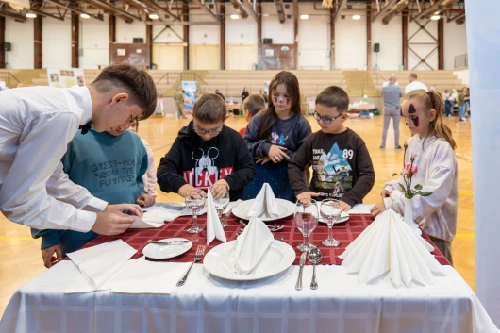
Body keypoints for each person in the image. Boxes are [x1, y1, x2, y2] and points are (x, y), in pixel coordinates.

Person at [0, 63, 156, 235]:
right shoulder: (63, 115)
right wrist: (92, 220)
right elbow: (19, 203)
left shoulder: (61, 104)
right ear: (118, 99)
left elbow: (53, 178)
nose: (125, 126)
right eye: (130, 117)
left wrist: (101, 207)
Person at [31, 125, 154, 267]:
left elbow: (137, 177)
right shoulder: (71, 139)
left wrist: (139, 193)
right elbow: (46, 189)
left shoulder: (135, 140)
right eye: (129, 116)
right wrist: (49, 236)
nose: (127, 124)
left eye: (135, 119)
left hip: (126, 232)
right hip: (79, 238)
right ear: (115, 102)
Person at [370, 90, 458, 264]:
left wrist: (393, 203)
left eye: (412, 116)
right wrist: (392, 187)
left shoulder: (442, 149)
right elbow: (411, 178)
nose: (407, 122)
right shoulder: (413, 142)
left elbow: (433, 195)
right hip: (413, 224)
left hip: (436, 231)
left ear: (431, 115)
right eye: (405, 117)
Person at [288, 86, 375, 211]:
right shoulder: (313, 139)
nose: (321, 122)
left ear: (343, 117)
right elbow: (294, 165)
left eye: (327, 118)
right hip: (316, 206)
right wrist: (301, 189)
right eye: (318, 115)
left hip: (345, 207)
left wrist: (351, 198)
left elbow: (368, 175)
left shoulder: (355, 141)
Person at [157, 93, 256, 201]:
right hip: (196, 208)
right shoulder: (183, 140)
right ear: (192, 116)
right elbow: (164, 171)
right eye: (200, 128)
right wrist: (182, 186)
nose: (207, 136)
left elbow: (249, 169)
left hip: (228, 206)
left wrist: (228, 182)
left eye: (214, 130)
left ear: (225, 119)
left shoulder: (234, 139)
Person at [243, 71, 312, 201]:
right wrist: (266, 148)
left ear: (295, 97)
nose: (280, 100)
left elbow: (306, 160)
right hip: (259, 183)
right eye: (276, 95)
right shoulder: (260, 118)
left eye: (286, 95)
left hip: (289, 184)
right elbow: (244, 146)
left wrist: (278, 155)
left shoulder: (301, 124)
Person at [129, 119, 157, 198]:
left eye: (133, 125)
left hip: (143, 195)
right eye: (128, 125)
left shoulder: (144, 146)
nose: (131, 128)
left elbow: (151, 173)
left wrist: (152, 195)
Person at [380, 74, 403, 150]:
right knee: (396, 128)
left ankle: (383, 145)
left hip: (386, 108)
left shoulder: (384, 88)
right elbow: (401, 95)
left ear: (388, 79)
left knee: (385, 127)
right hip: (396, 109)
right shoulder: (398, 88)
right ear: (395, 80)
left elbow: (382, 95)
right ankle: (397, 145)